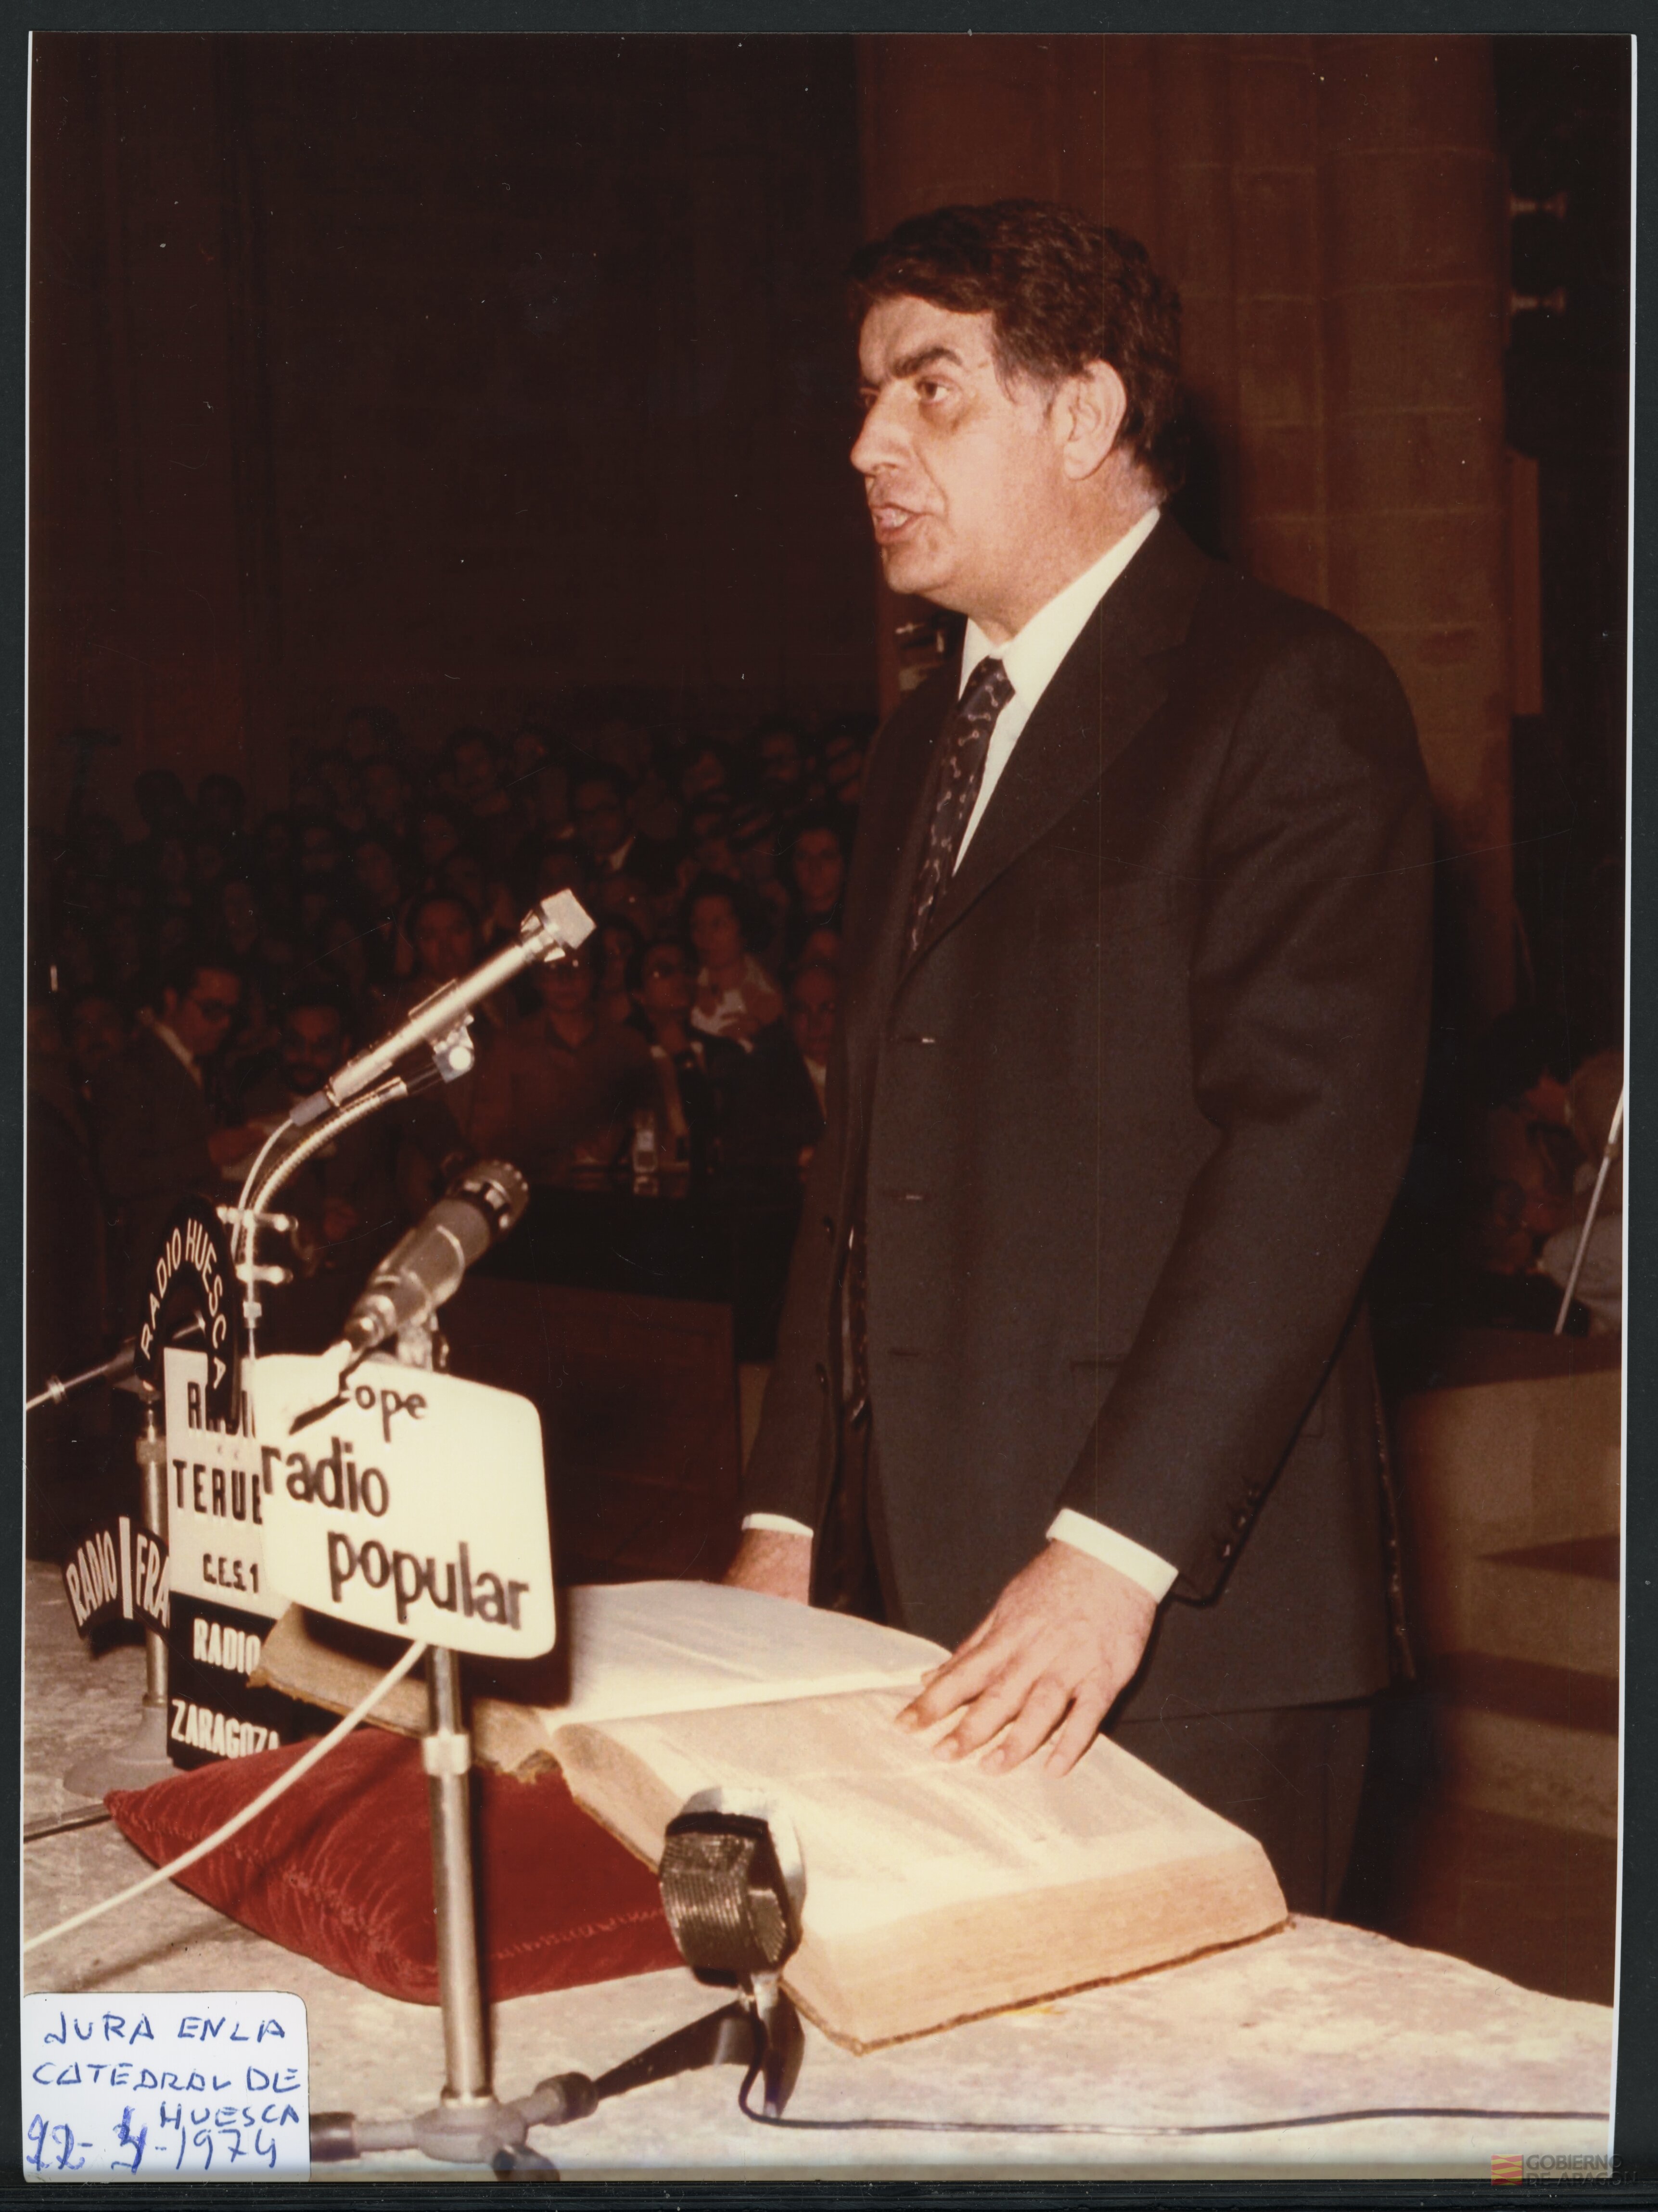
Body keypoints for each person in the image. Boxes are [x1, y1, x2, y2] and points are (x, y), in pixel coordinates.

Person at [725, 200, 1433, 1914]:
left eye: (930, 390)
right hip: (911, 1595)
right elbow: (864, 1159)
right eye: (868, 397)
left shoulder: (1285, 694)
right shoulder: (919, 747)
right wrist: (791, 1515)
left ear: (1085, 414)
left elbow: (1306, 1152)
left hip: (1177, 1622)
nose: (866, 441)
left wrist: (1108, 1558)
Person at [90, 948, 264, 1329]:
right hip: (155, 1268)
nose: (223, 1025)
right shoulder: (131, 1069)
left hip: (195, 1262)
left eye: (231, 1015)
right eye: (212, 1010)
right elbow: (118, 1174)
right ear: (172, 1000)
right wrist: (210, 1151)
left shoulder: (203, 1066)